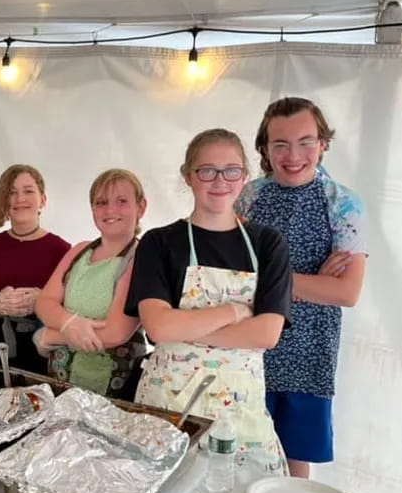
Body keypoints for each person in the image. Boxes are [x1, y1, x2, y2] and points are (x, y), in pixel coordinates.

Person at [125, 129, 292, 459]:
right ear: (189, 176)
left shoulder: (268, 245)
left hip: (240, 413)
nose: (220, 180)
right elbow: (158, 328)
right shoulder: (159, 243)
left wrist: (185, 329)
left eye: (231, 170)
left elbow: (267, 333)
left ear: (244, 176)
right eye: (207, 170)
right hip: (168, 407)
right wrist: (235, 312)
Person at [235, 97, 367, 478]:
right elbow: (231, 275)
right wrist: (313, 282)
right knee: (240, 455)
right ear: (264, 148)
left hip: (309, 353)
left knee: (295, 464)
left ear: (323, 143)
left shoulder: (344, 205)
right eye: (280, 144)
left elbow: (347, 293)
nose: (293, 155)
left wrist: (271, 281)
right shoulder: (249, 197)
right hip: (249, 347)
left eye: (306, 141)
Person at [34, 169, 148, 400]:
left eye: (122, 201)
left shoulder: (142, 257)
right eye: (101, 202)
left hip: (112, 389)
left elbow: (116, 333)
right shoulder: (79, 250)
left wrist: (50, 336)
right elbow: (45, 302)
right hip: (61, 380)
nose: (110, 210)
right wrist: (69, 322)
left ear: (141, 207)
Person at [0, 165, 70, 375]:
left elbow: (72, 305)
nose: (20, 198)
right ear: (4, 202)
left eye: (28, 191)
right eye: (11, 192)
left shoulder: (62, 250)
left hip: (43, 347)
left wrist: (42, 301)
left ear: (43, 200)